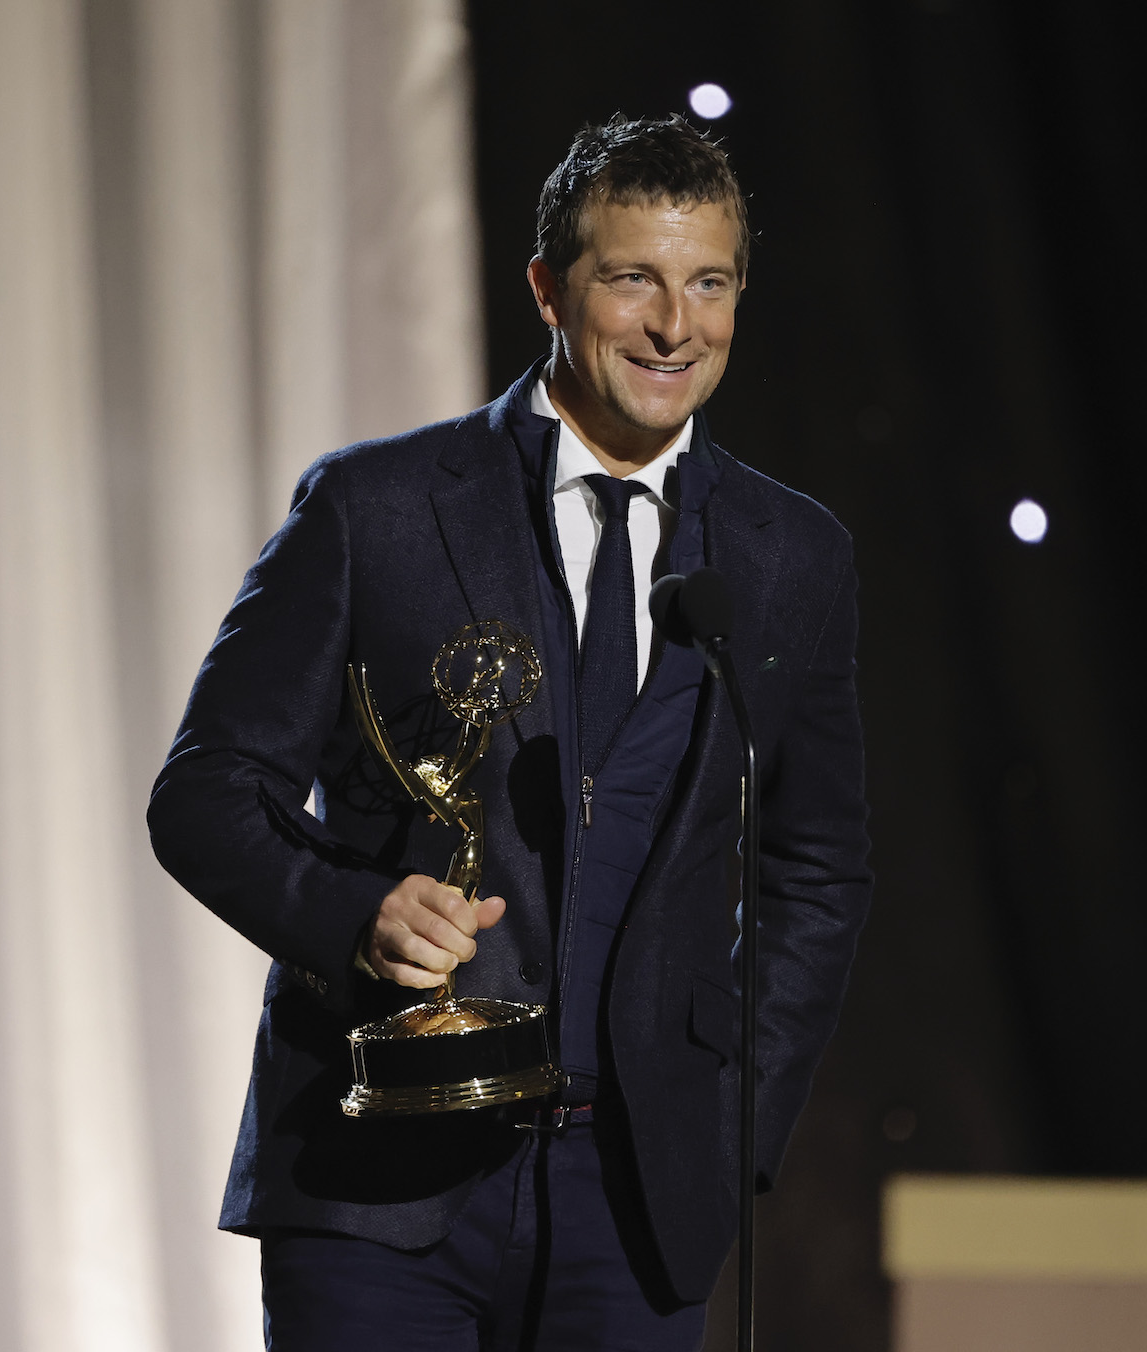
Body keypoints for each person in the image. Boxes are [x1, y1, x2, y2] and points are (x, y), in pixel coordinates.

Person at [149, 113, 872, 1351]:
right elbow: (205, 791)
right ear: (548, 288)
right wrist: (352, 912)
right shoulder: (374, 508)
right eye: (632, 277)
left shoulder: (791, 555)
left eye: (709, 283)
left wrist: (732, 1115)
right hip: (375, 1186)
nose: (673, 326)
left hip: (637, 1206)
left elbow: (818, 865)